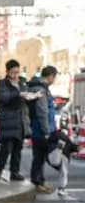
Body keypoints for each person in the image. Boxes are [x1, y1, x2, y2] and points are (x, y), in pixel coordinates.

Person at [0, 59, 29, 183]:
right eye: (13, 72)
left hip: (20, 121)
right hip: (8, 120)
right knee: (6, 147)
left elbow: (27, 97)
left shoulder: (22, 83)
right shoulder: (3, 84)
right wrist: (18, 95)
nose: (16, 75)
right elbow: (4, 98)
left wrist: (31, 96)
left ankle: (15, 171)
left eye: (17, 72)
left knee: (18, 148)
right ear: (7, 72)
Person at [26, 65, 59, 194]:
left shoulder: (38, 88)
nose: (54, 80)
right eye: (54, 77)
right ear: (50, 76)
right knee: (40, 157)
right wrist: (46, 131)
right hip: (41, 130)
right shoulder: (41, 90)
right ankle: (38, 182)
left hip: (39, 129)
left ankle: (39, 181)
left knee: (39, 156)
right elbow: (42, 111)